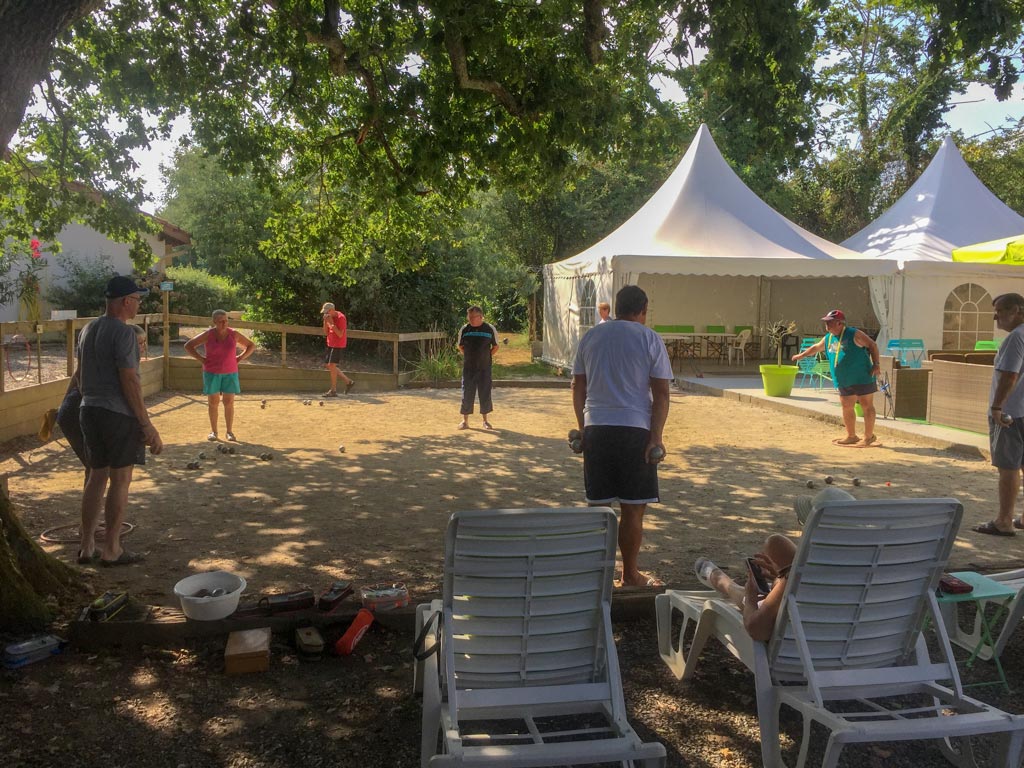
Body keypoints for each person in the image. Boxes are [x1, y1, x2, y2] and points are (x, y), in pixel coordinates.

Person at [572, 285, 672, 587]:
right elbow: (662, 393)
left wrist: (583, 428)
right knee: (633, 508)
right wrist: (656, 437)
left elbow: (578, 386)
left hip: (597, 428)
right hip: (635, 429)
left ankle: (597, 577)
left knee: (599, 509)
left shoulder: (591, 337)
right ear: (643, 310)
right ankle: (629, 574)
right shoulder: (649, 338)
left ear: (616, 308)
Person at [77, 275, 163, 566]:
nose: (139, 305)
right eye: (137, 300)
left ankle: (87, 545)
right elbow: (129, 380)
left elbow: (80, 375)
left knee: (96, 476)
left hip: (89, 409)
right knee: (120, 479)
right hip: (116, 414)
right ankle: (112, 548)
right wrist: (145, 423)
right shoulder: (124, 333)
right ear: (126, 301)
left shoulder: (87, 329)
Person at [695, 488, 854, 641]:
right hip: (852, 647)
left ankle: (724, 583)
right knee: (776, 543)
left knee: (752, 597)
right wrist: (781, 580)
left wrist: (751, 598)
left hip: (800, 648)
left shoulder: (805, 569)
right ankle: (725, 582)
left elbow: (758, 629)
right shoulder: (866, 572)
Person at [57, 324, 148, 491]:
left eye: (144, 343)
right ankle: (96, 506)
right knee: (97, 468)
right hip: (79, 412)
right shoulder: (122, 365)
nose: (142, 348)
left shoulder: (118, 361)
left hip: (80, 410)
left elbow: (78, 374)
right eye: (138, 343)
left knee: (95, 468)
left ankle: (94, 504)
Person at [973, 293, 1024, 536]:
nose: (996, 317)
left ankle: (1004, 520)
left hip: (1011, 413)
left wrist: (997, 407)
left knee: (1008, 466)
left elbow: (1009, 375)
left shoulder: (1016, 337)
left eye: (1000, 311)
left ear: (1017, 310)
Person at [792, 309, 881, 447]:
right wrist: (801, 355)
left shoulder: (854, 334)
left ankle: (869, 437)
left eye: (830, 322)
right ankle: (851, 435)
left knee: (866, 405)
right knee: (846, 406)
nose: (827, 325)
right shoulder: (828, 338)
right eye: (826, 322)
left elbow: (872, 345)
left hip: (862, 377)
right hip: (843, 379)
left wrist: (876, 364)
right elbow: (816, 348)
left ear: (840, 323)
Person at [184, 309, 256, 441]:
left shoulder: (234, 334)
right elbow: (188, 345)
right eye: (221, 321)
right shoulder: (208, 334)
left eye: (226, 321)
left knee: (228, 402)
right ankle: (214, 431)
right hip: (211, 372)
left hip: (230, 372)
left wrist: (240, 357)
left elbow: (251, 345)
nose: (224, 324)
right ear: (214, 322)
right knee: (213, 402)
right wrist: (202, 359)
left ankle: (229, 431)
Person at [458, 306, 499, 430]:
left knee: (484, 393)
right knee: (467, 393)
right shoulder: (464, 329)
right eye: (469, 317)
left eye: (473, 317)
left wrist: (486, 356)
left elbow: (495, 347)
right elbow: (460, 347)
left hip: (484, 368)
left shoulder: (490, 329)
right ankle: (465, 421)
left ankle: (485, 421)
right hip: (469, 368)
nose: (470, 319)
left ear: (480, 316)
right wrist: (470, 356)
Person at [321, 302, 355, 397]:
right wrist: (325, 322)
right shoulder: (328, 318)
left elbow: (340, 334)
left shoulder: (341, 318)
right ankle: (348, 382)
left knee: (332, 365)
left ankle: (333, 390)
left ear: (332, 310)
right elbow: (325, 332)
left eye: (327, 312)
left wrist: (332, 323)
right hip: (330, 343)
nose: (325, 314)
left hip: (338, 344)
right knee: (328, 365)